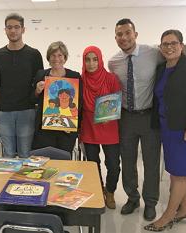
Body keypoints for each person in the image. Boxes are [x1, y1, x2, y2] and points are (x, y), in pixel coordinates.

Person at [144, 30, 186, 231]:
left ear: (181, 45)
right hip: (168, 128)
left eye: (173, 43)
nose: (169, 47)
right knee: (177, 173)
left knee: (180, 174)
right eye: (165, 44)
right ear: (161, 47)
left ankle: (167, 216)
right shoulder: (162, 68)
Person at [108, 18, 163, 221]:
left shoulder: (154, 54)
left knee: (151, 163)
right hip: (126, 118)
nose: (123, 37)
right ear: (115, 38)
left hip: (149, 117)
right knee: (128, 161)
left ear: (135, 34)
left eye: (127, 33)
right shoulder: (113, 62)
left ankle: (150, 202)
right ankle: (132, 198)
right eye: (119, 34)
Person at [0, 13, 43, 158]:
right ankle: (9, 181)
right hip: (4, 112)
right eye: (9, 27)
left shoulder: (34, 54)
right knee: (7, 154)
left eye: (16, 27)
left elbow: (39, 84)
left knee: (25, 154)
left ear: (23, 29)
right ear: (5, 30)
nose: (13, 31)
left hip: (26, 111)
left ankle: (25, 182)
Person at [80, 45, 121, 209]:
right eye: (87, 60)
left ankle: (110, 191)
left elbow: (117, 100)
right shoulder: (81, 80)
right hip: (88, 128)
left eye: (94, 59)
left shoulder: (111, 78)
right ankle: (99, 189)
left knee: (113, 166)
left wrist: (110, 114)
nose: (91, 63)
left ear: (100, 60)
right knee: (92, 164)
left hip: (109, 128)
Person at [31, 41, 81, 153]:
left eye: (60, 55)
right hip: (44, 130)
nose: (56, 59)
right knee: (45, 162)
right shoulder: (41, 74)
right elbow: (32, 99)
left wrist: (74, 125)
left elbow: (79, 103)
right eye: (53, 55)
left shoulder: (74, 76)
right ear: (48, 58)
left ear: (65, 58)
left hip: (66, 130)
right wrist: (37, 91)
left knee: (64, 162)